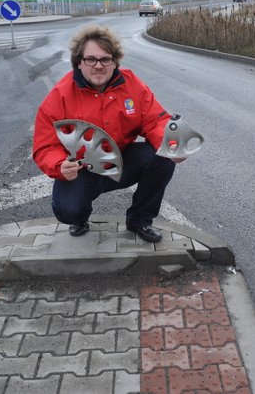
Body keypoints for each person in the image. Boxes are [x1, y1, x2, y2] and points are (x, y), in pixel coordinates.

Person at [33, 25, 183, 243]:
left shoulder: (131, 84)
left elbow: (155, 120)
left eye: (105, 59)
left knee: (163, 158)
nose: (98, 66)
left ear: (115, 62)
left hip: (121, 160)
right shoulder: (60, 95)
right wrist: (59, 165)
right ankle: (80, 218)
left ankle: (139, 220)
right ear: (79, 62)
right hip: (81, 167)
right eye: (91, 59)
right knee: (68, 211)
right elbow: (45, 146)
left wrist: (172, 144)